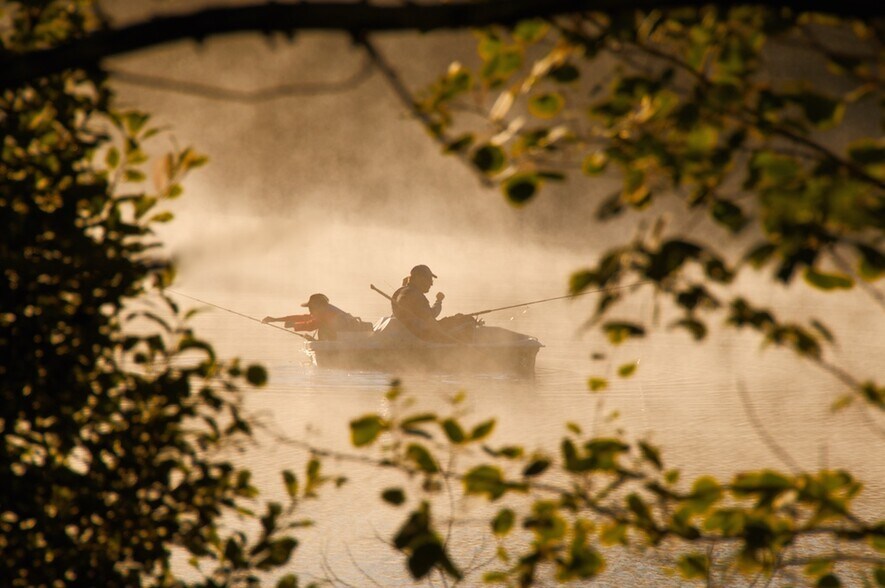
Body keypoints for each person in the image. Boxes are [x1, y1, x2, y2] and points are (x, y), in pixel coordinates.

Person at [391, 265, 474, 342]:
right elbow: (431, 321)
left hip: (412, 331)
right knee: (466, 320)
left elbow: (429, 314)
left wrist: (438, 301)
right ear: (418, 278)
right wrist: (449, 338)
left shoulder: (399, 292)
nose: (431, 284)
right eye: (429, 279)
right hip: (422, 335)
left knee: (459, 319)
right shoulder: (416, 295)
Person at [262, 293, 368, 340]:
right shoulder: (327, 310)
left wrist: (294, 325)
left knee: (323, 330)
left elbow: (311, 325)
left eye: (311, 307)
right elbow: (304, 318)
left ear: (318, 306)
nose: (310, 309)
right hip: (345, 337)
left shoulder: (326, 313)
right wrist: (275, 319)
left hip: (344, 340)